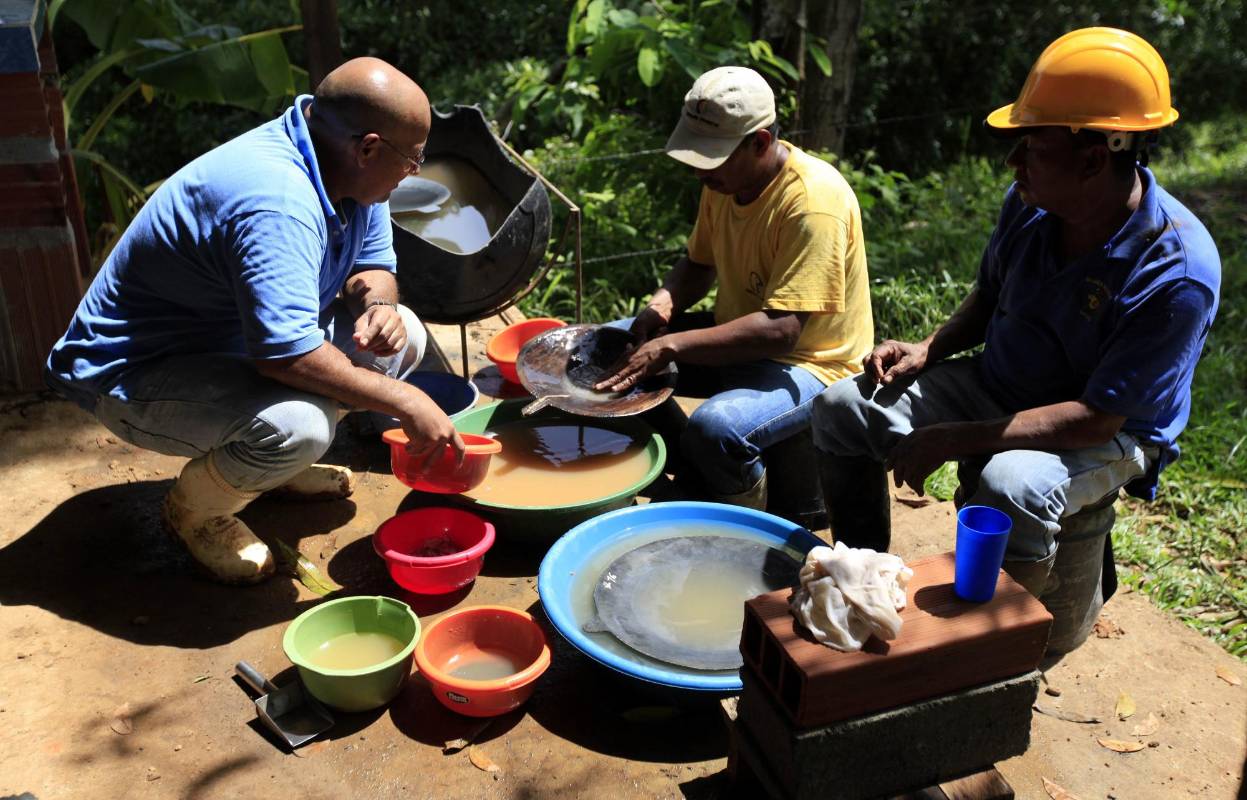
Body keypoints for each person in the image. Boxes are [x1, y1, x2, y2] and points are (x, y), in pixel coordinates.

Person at [812, 28, 1220, 655]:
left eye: (1031, 146)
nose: (1013, 163)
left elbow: (1094, 418)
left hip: (1106, 429)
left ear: (1093, 159)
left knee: (1011, 488)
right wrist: (932, 348)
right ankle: (865, 585)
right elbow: (990, 296)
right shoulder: (1030, 204)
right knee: (844, 410)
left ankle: (996, 653)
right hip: (1002, 381)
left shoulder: (1177, 272)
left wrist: (954, 439)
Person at [45, 57, 465, 584]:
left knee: (402, 335)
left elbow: (372, 266)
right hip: (139, 373)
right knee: (301, 425)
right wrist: (408, 399)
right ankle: (196, 512)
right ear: (369, 147)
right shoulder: (276, 203)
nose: (417, 171)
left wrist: (378, 308)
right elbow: (285, 356)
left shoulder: (346, 164)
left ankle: (266, 467)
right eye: (414, 157)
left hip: (231, 343)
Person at [597, 66, 874, 510]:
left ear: (760, 142)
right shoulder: (725, 182)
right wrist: (661, 307)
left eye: (711, 159)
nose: (699, 173)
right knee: (609, 346)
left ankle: (743, 516)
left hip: (815, 363)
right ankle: (692, 462)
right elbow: (697, 263)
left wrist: (671, 346)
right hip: (744, 334)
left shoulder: (814, 203)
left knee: (717, 428)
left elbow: (782, 330)